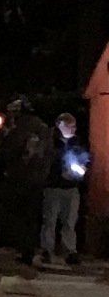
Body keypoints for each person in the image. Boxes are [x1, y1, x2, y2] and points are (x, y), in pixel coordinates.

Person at [0, 98, 52, 264]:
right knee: (32, 217)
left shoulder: (19, 129)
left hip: (20, 178)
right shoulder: (43, 129)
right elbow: (49, 154)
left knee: (20, 216)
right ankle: (30, 249)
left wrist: (1, 138)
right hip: (38, 180)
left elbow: (7, 152)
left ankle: (24, 250)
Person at [38, 111, 89, 267]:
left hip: (71, 188)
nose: (72, 129)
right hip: (53, 186)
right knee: (50, 220)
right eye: (68, 126)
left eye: (73, 126)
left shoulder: (77, 144)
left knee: (70, 221)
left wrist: (81, 170)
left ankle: (69, 251)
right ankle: (47, 250)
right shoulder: (50, 143)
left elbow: (84, 161)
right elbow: (45, 161)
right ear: (60, 125)